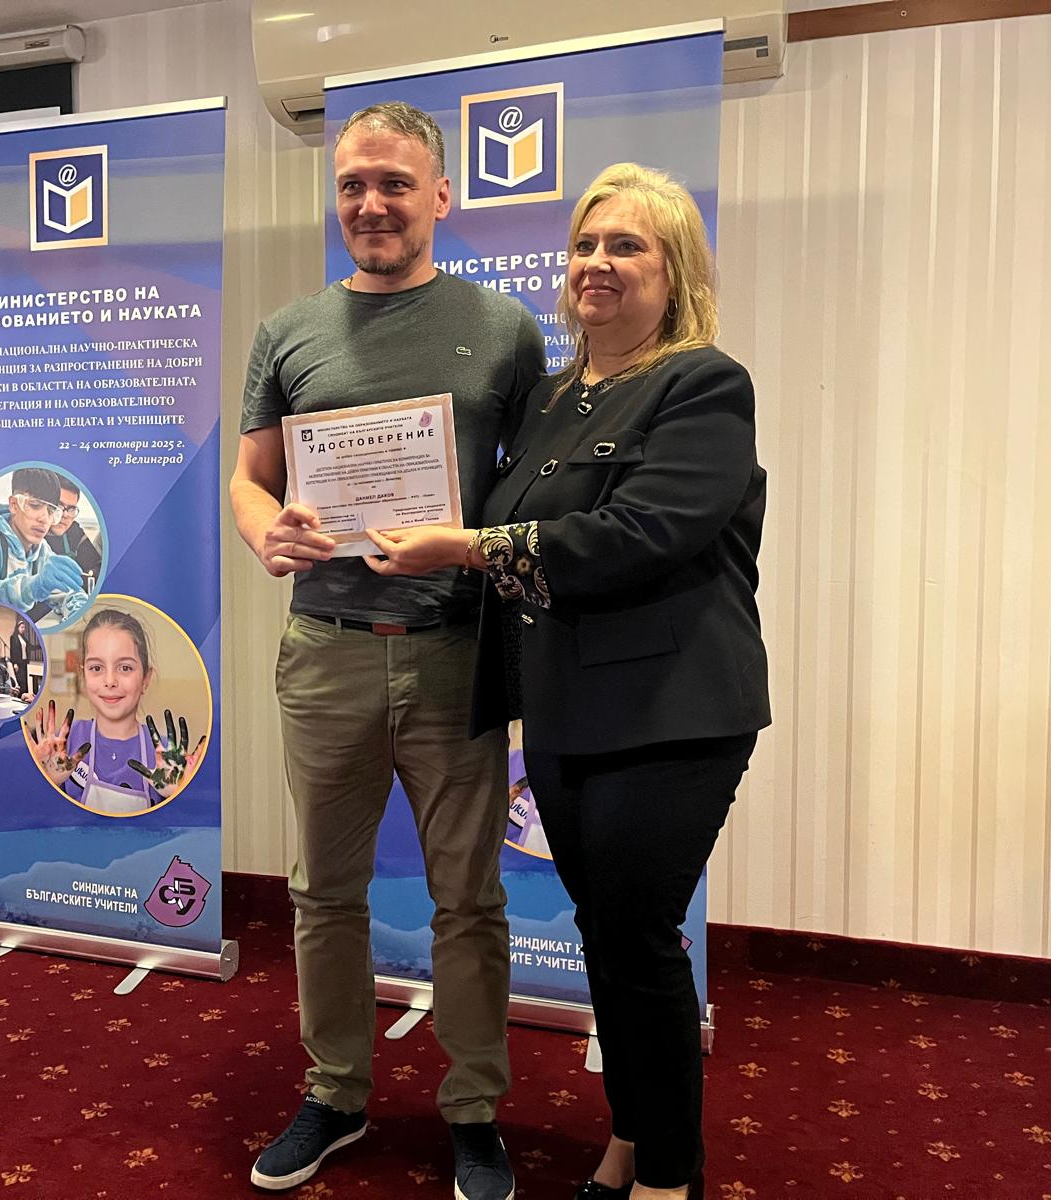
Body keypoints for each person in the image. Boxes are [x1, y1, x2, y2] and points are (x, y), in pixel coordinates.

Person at [361, 163, 770, 1200]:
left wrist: (462, 547)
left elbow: (640, 534)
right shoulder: (551, 397)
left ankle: (668, 1175)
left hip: (673, 712)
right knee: (608, 935)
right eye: (585, 244)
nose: (597, 262)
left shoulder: (703, 384)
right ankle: (632, 1136)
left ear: (675, 273)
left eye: (626, 246)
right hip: (566, 711)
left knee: (637, 938)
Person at [230, 100, 544, 1200]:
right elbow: (250, 475)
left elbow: (531, 486)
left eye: (395, 183)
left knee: (469, 898)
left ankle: (473, 1110)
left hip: (455, 650)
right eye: (353, 184)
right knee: (325, 893)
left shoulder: (504, 329)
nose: (371, 204)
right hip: (327, 652)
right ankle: (336, 1093)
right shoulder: (289, 331)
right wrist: (263, 528)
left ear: (441, 195)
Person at [28, 608, 203, 815]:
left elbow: (186, 827)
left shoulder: (165, 755)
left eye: (125, 668)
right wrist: (46, 784)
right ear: (83, 676)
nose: (110, 681)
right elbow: (37, 822)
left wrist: (177, 795)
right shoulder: (64, 744)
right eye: (96, 668)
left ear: (145, 679)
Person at [0, 467, 89, 627]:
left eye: (51, 511)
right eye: (35, 505)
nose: (44, 519)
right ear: (13, 504)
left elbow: (68, 592)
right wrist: (32, 587)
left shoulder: (42, 549)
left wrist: (80, 612)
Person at [43, 474, 103, 582]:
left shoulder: (74, 531)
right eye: (59, 506)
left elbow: (97, 568)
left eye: (71, 509)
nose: (65, 515)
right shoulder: (31, 535)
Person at [9, 618, 36, 701]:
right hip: (18, 663)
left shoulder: (23, 638)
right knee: (20, 680)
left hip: (24, 662)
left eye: (24, 627)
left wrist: (40, 647)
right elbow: (13, 651)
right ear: (17, 628)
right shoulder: (13, 637)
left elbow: (30, 646)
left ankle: (24, 696)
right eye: (21, 627)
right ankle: (19, 697)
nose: (23, 629)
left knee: (25, 680)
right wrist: (14, 663)